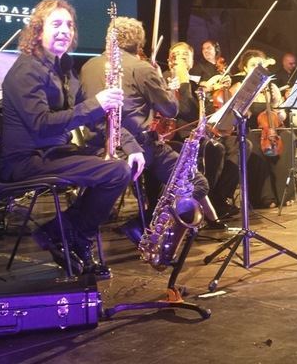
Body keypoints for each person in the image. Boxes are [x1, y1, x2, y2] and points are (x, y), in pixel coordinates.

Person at [0, 0, 135, 277]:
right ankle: (70, 235)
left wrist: (131, 145)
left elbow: (95, 114)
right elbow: (41, 125)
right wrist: (96, 103)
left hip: (52, 152)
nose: (65, 31)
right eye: (56, 24)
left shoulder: (62, 69)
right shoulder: (27, 69)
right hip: (27, 159)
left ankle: (64, 233)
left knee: (121, 164)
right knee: (115, 172)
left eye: (69, 25)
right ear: (38, 31)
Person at [78, 17, 215, 243]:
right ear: (139, 44)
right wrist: (167, 83)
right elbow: (171, 109)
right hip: (137, 147)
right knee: (198, 184)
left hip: (95, 145)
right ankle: (147, 224)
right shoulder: (142, 68)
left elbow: (81, 107)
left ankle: (138, 225)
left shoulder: (88, 66)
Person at [165, 42, 239, 223]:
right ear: (170, 61)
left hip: (199, 133)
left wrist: (219, 90)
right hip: (175, 136)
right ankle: (202, 202)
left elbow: (206, 112)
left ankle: (218, 198)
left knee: (238, 145)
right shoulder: (165, 79)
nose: (182, 58)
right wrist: (183, 82)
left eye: (186, 55)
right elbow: (183, 109)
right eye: (178, 55)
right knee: (214, 149)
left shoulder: (195, 83)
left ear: (191, 61)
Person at [230, 49, 288, 208]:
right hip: (249, 130)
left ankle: (283, 193)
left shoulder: (271, 87)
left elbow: (282, 114)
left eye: (260, 65)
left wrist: (277, 108)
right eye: (253, 65)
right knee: (254, 145)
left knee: (288, 137)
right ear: (245, 69)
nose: (257, 68)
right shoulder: (240, 87)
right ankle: (264, 197)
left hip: (270, 130)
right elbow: (237, 114)